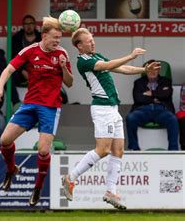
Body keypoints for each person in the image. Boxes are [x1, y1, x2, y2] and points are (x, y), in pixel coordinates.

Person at [61, 28, 160, 210]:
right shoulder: (83, 61)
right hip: (102, 109)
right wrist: (130, 55)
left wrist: (144, 69)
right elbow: (107, 66)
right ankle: (70, 178)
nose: (92, 42)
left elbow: (121, 68)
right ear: (79, 46)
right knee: (103, 149)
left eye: (92, 39)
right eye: (88, 41)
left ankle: (110, 191)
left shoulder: (95, 55)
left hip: (113, 109)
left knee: (118, 151)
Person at [0, 16, 73, 207]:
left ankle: (37, 188)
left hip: (50, 107)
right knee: (4, 140)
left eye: (59, 38)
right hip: (29, 104)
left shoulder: (62, 54)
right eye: (54, 37)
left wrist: (63, 67)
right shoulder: (30, 51)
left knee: (43, 150)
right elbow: (8, 70)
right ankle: (11, 169)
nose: (57, 42)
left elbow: (69, 83)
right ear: (44, 36)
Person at [126, 59, 179, 151]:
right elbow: (138, 98)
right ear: (146, 70)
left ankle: (173, 150)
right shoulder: (138, 83)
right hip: (143, 110)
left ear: (159, 70)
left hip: (162, 110)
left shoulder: (166, 81)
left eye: (155, 69)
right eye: (150, 69)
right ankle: (134, 148)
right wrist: (157, 97)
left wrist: (151, 94)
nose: (152, 72)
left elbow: (166, 94)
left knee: (173, 120)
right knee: (130, 118)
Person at [10, 14, 42, 97]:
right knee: (9, 75)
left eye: (31, 23)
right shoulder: (16, 39)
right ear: (23, 26)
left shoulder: (42, 38)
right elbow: (14, 57)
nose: (29, 26)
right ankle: (16, 103)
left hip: (38, 70)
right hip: (21, 72)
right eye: (26, 24)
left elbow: (45, 56)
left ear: (35, 25)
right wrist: (22, 71)